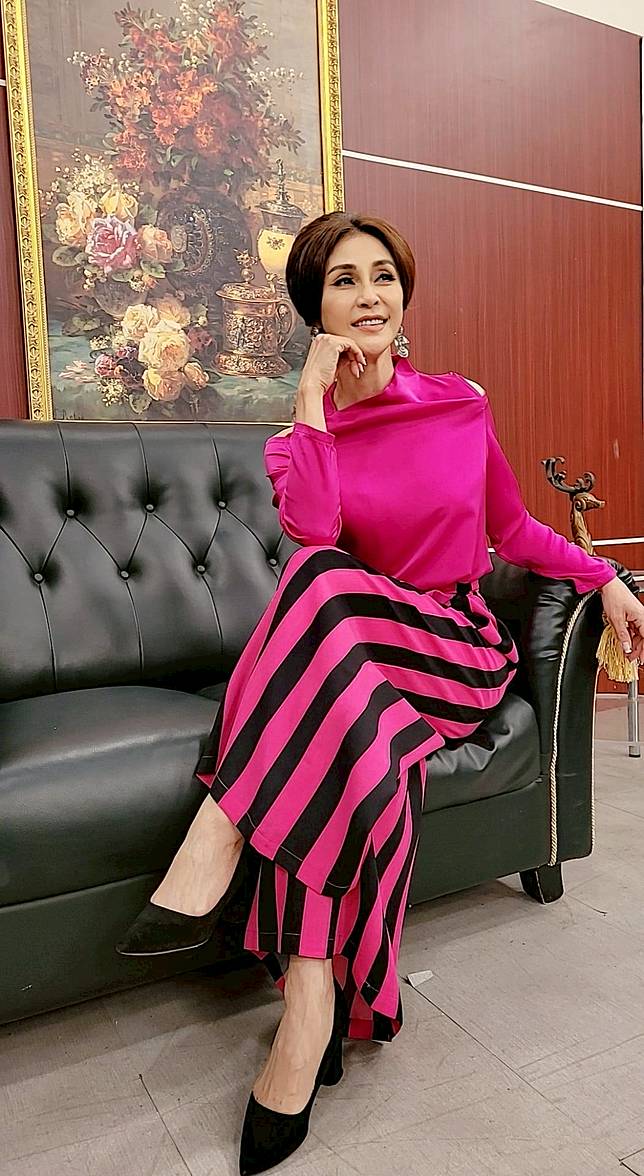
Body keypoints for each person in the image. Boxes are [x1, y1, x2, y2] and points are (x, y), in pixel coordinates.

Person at [116, 212, 644, 1175]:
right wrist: (311, 401)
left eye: (383, 276)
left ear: (404, 293)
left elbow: (514, 531)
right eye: (343, 281)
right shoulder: (297, 442)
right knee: (334, 705)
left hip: (453, 650)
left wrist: (602, 574)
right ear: (314, 307)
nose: (369, 296)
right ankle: (312, 1002)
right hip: (358, 660)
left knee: (319, 595)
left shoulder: (459, 404)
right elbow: (316, 531)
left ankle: (222, 828)